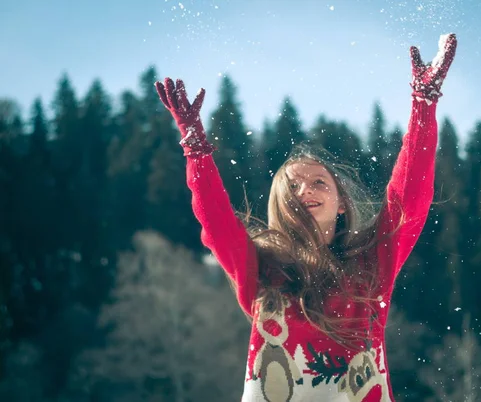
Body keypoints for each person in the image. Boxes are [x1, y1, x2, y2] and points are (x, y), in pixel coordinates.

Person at [156, 33, 457, 402]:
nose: (306, 191)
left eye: (318, 182)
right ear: (279, 206)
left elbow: (408, 198)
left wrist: (423, 105)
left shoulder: (372, 264)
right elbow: (217, 223)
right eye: (293, 186)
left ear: (341, 203)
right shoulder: (260, 269)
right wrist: (196, 150)